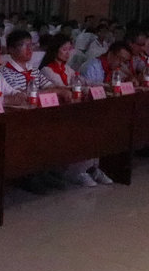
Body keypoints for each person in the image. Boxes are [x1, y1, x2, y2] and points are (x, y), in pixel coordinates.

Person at [39, 36, 114, 187]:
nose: (68, 53)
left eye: (70, 49)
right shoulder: (47, 70)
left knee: (96, 125)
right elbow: (64, 88)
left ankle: (93, 167)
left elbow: (83, 81)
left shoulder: (67, 69)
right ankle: (77, 170)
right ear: (55, 50)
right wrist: (84, 88)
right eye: (64, 49)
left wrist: (102, 86)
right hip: (57, 113)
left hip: (73, 109)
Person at [0, 29, 69, 101]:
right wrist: (58, 92)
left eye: (31, 45)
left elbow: (50, 86)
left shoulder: (34, 70)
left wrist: (66, 90)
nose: (29, 49)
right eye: (23, 45)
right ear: (11, 49)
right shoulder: (5, 72)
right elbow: (22, 95)